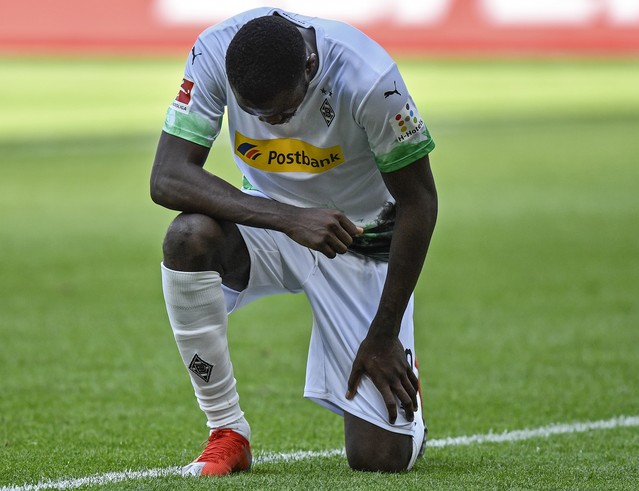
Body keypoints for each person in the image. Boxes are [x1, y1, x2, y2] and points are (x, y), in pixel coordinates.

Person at [150, 7, 437, 476]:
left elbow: (420, 202)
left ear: (309, 66)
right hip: (273, 222)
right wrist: (290, 219)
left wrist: (383, 334)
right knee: (188, 238)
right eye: (258, 114)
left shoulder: (370, 79)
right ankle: (227, 430)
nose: (275, 123)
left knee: (379, 459)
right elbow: (167, 176)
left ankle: (403, 367)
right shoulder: (214, 52)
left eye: (284, 111)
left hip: (360, 240)